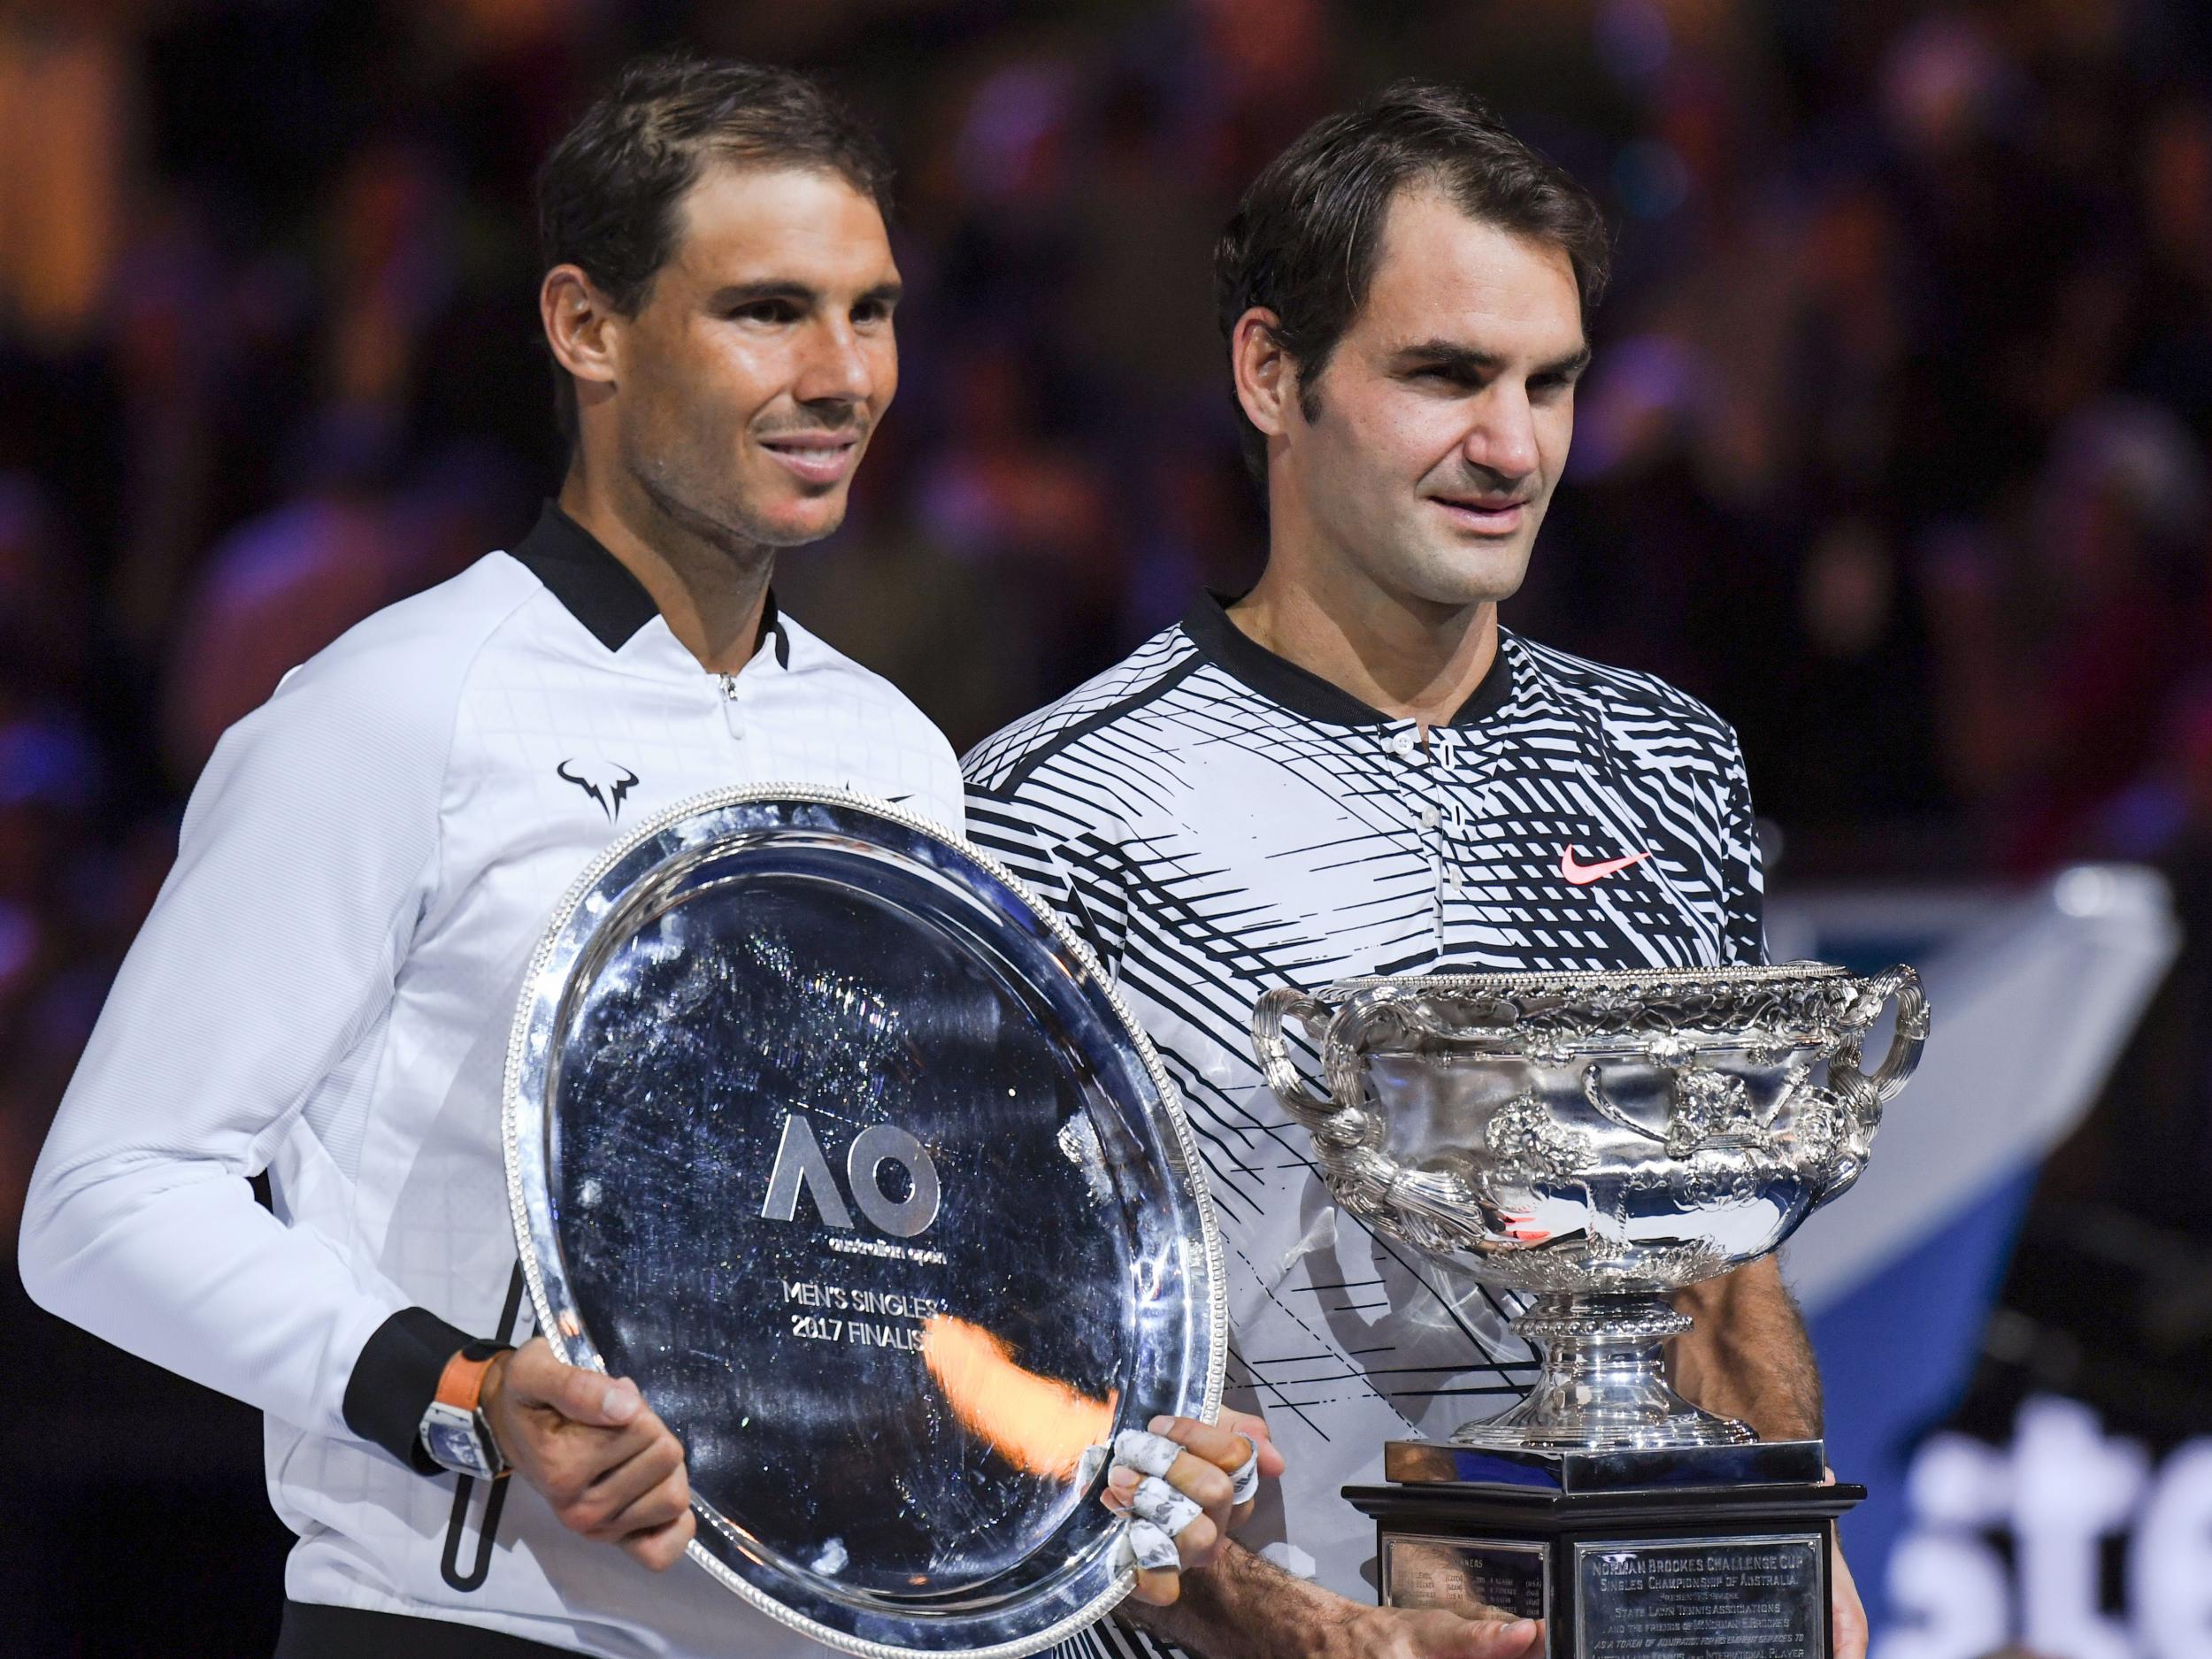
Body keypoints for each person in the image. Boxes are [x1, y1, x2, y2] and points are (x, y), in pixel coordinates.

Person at [19, 52, 1252, 1658]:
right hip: (466, 1626)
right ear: (586, 327)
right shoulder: (396, 709)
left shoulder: (893, 754)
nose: (843, 376)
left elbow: (891, 1264)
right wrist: (458, 1394)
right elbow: (106, 1200)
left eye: (871, 312)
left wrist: (1097, 1449)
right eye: (768, 312)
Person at [965, 83, 1867, 1659]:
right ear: (1270, 373)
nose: (1511, 446)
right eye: (1446, 375)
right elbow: (967, 1359)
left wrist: (1794, 1535)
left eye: (1551, 383)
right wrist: (1265, 1617)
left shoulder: (1671, 761)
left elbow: (1722, 1269)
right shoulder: (1052, 814)